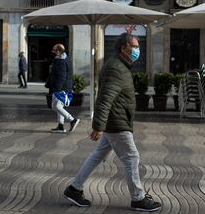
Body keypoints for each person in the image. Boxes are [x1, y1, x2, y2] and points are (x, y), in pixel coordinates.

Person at [63, 33, 161, 212]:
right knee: (132, 157)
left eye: (138, 46)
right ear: (123, 48)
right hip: (117, 121)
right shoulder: (116, 67)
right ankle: (138, 198)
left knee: (97, 155)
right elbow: (105, 98)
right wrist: (99, 125)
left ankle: (74, 189)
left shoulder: (120, 65)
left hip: (116, 119)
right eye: (135, 47)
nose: (137, 50)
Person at [49, 43, 80, 133]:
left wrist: (57, 89)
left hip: (61, 88)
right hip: (64, 87)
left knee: (56, 106)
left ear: (58, 51)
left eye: (54, 51)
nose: (53, 53)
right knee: (59, 106)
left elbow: (61, 76)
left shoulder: (61, 61)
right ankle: (60, 126)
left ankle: (72, 120)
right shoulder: (65, 59)